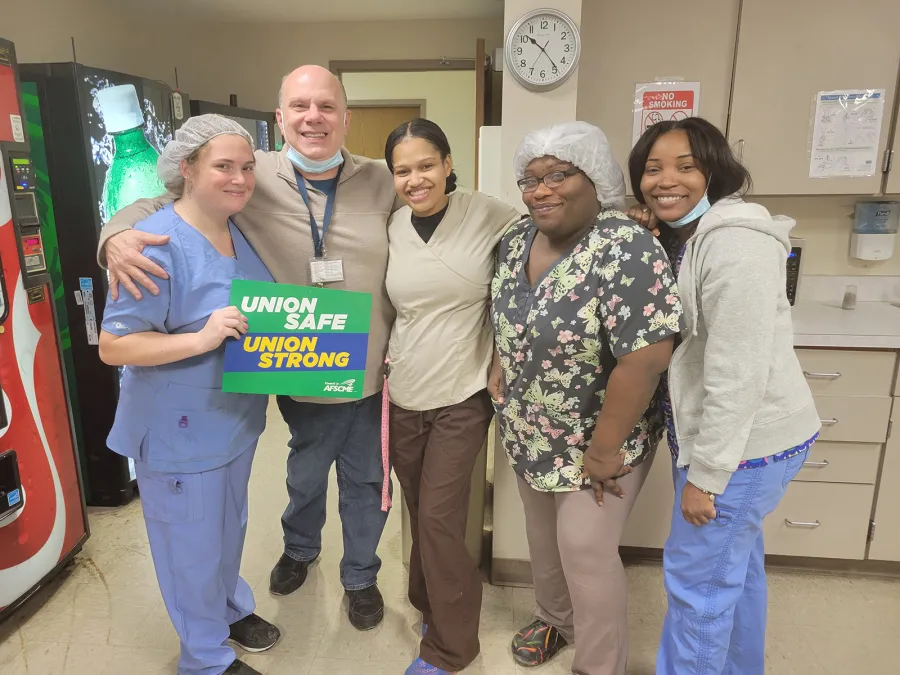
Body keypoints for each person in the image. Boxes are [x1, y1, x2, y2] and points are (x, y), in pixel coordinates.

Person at [96, 65, 397, 631]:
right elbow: (157, 207)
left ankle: (360, 576)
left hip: (366, 371)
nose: (314, 117)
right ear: (280, 119)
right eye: (300, 106)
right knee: (304, 475)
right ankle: (299, 550)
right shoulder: (254, 177)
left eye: (327, 106)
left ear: (345, 117)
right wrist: (113, 238)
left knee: (366, 482)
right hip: (300, 366)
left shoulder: (382, 180)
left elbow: (435, 216)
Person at [626, 117, 821, 675]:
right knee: (736, 574)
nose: (667, 180)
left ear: (715, 170)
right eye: (653, 168)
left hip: (743, 450)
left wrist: (708, 477)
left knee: (698, 590)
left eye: (686, 166)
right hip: (750, 442)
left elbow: (736, 374)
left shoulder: (734, 246)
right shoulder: (689, 237)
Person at [489, 121, 682, 675]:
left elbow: (645, 357)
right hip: (530, 428)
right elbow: (508, 309)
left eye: (558, 175)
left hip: (602, 438)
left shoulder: (626, 246)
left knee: (585, 550)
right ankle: (555, 618)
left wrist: (603, 451)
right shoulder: (516, 239)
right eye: (530, 179)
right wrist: (500, 357)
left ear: (595, 178)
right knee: (543, 538)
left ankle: (599, 665)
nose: (541, 189)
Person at [98, 115, 280, 675]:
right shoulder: (155, 244)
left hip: (233, 419)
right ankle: (204, 658)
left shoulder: (238, 229)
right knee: (190, 545)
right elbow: (113, 345)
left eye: (247, 167)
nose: (239, 178)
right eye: (223, 166)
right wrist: (200, 338)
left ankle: (228, 609)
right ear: (187, 170)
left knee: (228, 530)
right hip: (180, 430)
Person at [383, 118, 520, 675]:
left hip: (464, 392)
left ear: (446, 163)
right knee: (419, 510)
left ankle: (452, 647)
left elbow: (549, 255)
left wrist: (503, 354)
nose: (415, 180)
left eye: (425, 165)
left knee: (440, 517)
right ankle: (431, 604)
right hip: (405, 387)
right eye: (402, 170)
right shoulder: (391, 227)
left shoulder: (491, 214)